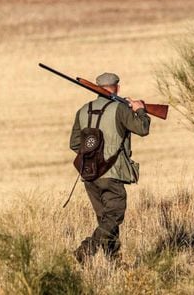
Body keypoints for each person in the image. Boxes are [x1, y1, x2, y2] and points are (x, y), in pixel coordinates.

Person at [69, 72, 150, 264]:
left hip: (89, 174)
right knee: (114, 215)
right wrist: (139, 110)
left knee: (105, 219)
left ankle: (113, 261)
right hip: (112, 172)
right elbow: (143, 129)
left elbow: (74, 144)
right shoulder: (120, 109)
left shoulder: (83, 110)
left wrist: (93, 152)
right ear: (117, 88)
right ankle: (85, 250)